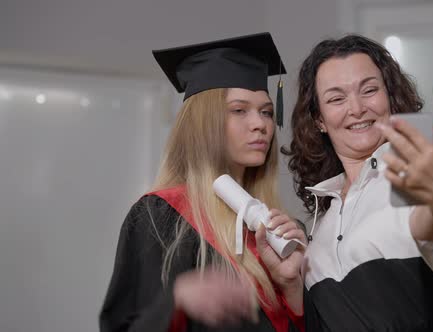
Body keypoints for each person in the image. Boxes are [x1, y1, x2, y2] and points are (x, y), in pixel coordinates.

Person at [100, 32, 306, 332]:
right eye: (239, 110)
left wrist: (292, 290)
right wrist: (177, 302)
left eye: (266, 112)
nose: (260, 124)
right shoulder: (160, 218)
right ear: (203, 122)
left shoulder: (282, 233)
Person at [283, 34, 433, 331]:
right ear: (319, 119)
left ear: (390, 97)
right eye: (337, 98)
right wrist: (290, 285)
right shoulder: (323, 219)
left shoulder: (412, 177)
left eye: (369, 90)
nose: (357, 108)